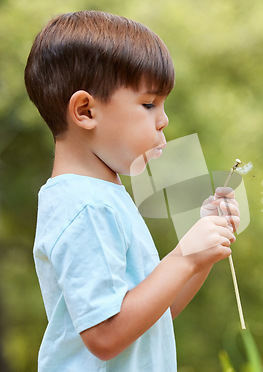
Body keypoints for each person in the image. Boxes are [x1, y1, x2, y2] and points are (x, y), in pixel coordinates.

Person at [25, 10, 240, 371]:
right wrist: (184, 257)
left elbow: (155, 313)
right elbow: (107, 336)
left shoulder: (105, 197)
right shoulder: (85, 207)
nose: (163, 120)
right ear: (86, 111)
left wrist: (200, 257)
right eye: (148, 104)